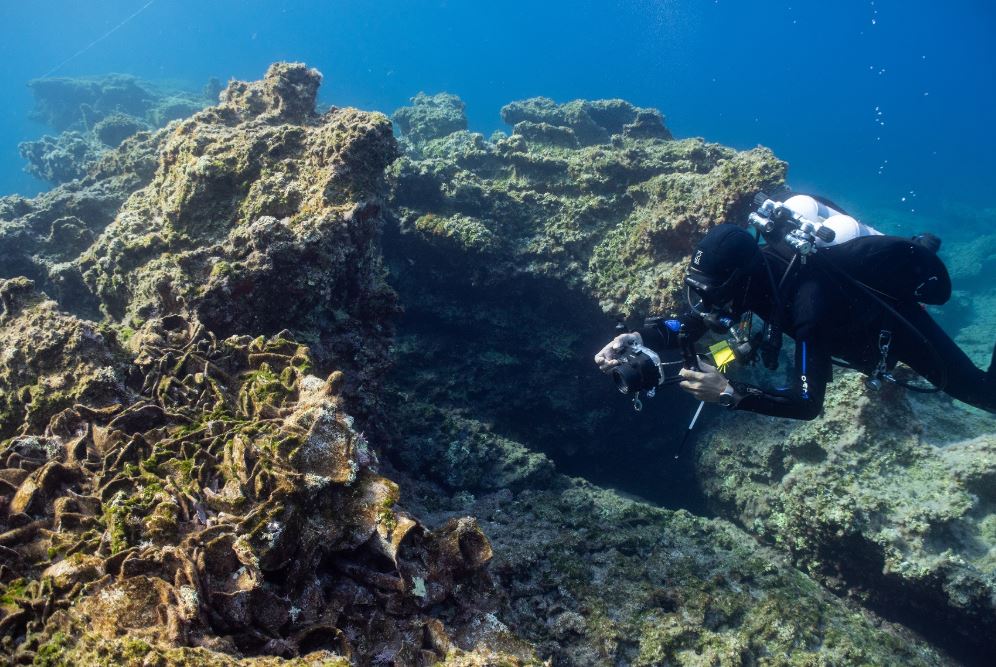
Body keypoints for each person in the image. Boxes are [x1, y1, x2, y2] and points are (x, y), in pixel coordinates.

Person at [594, 195, 996, 420]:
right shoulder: (752, 277)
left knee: (984, 394)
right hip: (836, 310)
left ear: (739, 279)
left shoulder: (809, 306)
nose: (706, 304)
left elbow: (808, 403)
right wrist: (637, 337)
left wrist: (731, 393)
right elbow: (694, 324)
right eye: (700, 291)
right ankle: (920, 243)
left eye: (713, 293)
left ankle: (918, 252)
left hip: (889, 325)